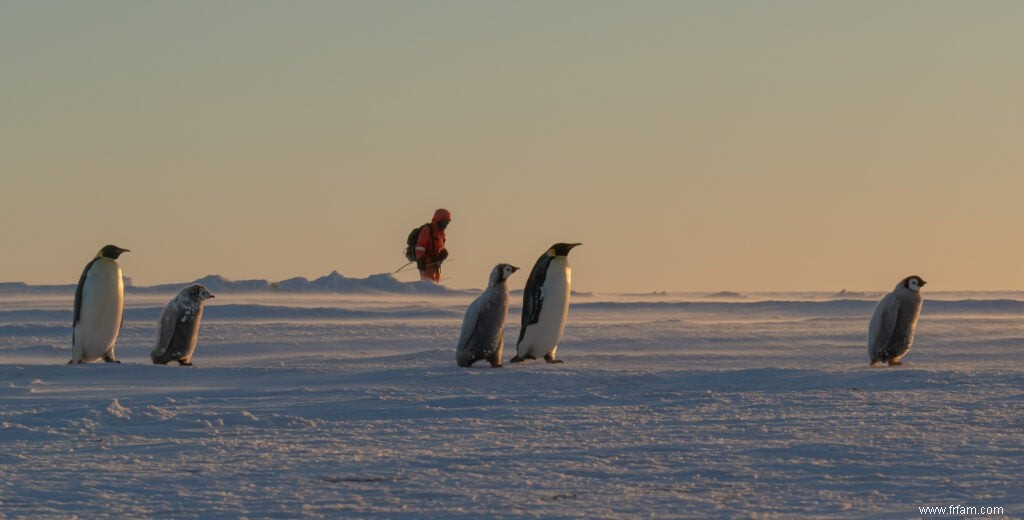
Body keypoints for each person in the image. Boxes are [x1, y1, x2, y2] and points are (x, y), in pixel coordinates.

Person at [415, 208, 451, 283]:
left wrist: (443, 253)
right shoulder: (427, 230)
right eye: (444, 222)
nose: (446, 225)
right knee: (428, 284)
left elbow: (440, 246)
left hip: (435, 263)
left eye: (447, 223)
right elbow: (420, 247)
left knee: (435, 283)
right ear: (439, 220)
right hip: (426, 264)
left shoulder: (442, 233)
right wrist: (421, 260)